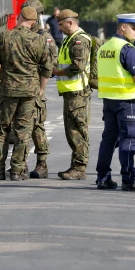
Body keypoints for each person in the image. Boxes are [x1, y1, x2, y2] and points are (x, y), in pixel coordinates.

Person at [0, 6, 54, 180]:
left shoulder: (3, 37)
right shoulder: (39, 40)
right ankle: (17, 171)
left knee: (1, 129)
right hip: (29, 93)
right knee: (23, 132)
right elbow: (47, 68)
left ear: (18, 17)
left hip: (7, 91)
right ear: (33, 22)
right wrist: (40, 88)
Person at [95, 13, 135, 192]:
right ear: (122, 27)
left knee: (108, 139)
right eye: (133, 28)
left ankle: (103, 178)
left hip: (109, 100)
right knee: (129, 139)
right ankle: (129, 179)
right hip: (127, 101)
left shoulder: (105, 47)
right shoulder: (127, 48)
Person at [18, 0, 56, 178]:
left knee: (36, 127)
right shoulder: (18, 34)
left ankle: (42, 163)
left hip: (36, 90)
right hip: (21, 88)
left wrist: (41, 87)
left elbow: (51, 64)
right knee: (20, 127)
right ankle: (21, 163)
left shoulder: (44, 37)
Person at [53, 9, 93, 180]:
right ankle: (76, 166)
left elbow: (77, 66)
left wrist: (56, 72)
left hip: (78, 92)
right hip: (70, 92)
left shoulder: (79, 40)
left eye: (61, 25)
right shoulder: (70, 39)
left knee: (78, 131)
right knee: (72, 131)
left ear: (70, 22)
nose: (59, 28)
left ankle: (79, 168)